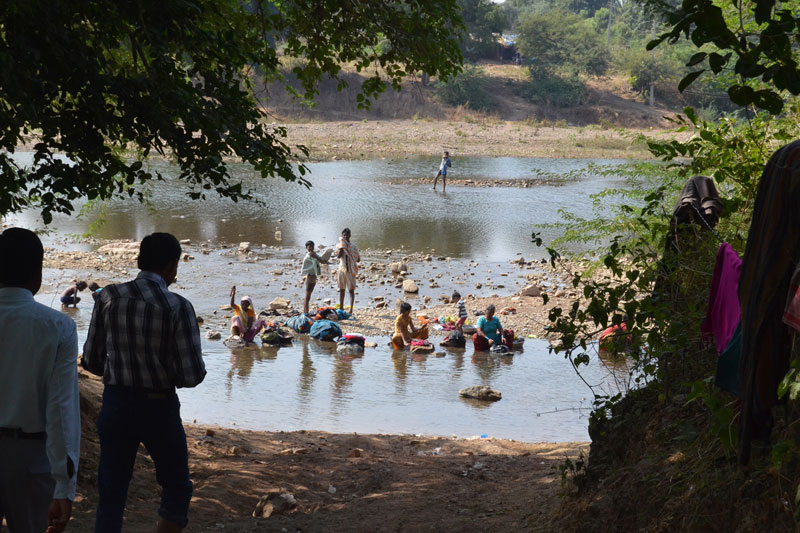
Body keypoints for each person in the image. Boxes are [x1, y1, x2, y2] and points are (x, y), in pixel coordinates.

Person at [82, 232, 206, 533]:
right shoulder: (178, 306)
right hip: (158, 407)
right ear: (172, 266)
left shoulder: (108, 297)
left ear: (139, 260)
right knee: (176, 486)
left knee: (111, 490)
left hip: (116, 403)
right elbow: (192, 376)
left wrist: (121, 369)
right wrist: (163, 371)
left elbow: (91, 361)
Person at [0, 228, 80, 533]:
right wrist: (64, 485)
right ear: (38, 273)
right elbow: (60, 410)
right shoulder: (57, 326)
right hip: (30, 459)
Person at [336, 228, 360, 314]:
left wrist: (352, 255)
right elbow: (338, 256)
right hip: (342, 269)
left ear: (350, 235)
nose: (345, 236)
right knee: (342, 289)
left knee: (351, 290)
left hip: (350, 270)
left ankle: (351, 309)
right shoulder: (339, 246)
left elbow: (358, 259)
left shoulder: (353, 246)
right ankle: (341, 307)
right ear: (342, 236)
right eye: (344, 235)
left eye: (347, 235)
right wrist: (342, 247)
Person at [302, 240, 329, 314]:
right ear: (306, 247)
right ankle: (305, 312)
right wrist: (322, 260)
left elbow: (321, 260)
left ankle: (306, 311)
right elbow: (319, 259)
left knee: (309, 294)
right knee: (307, 295)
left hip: (313, 276)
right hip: (310, 276)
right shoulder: (310, 255)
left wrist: (325, 261)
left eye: (312, 246)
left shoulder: (314, 254)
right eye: (309, 246)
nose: (311, 248)